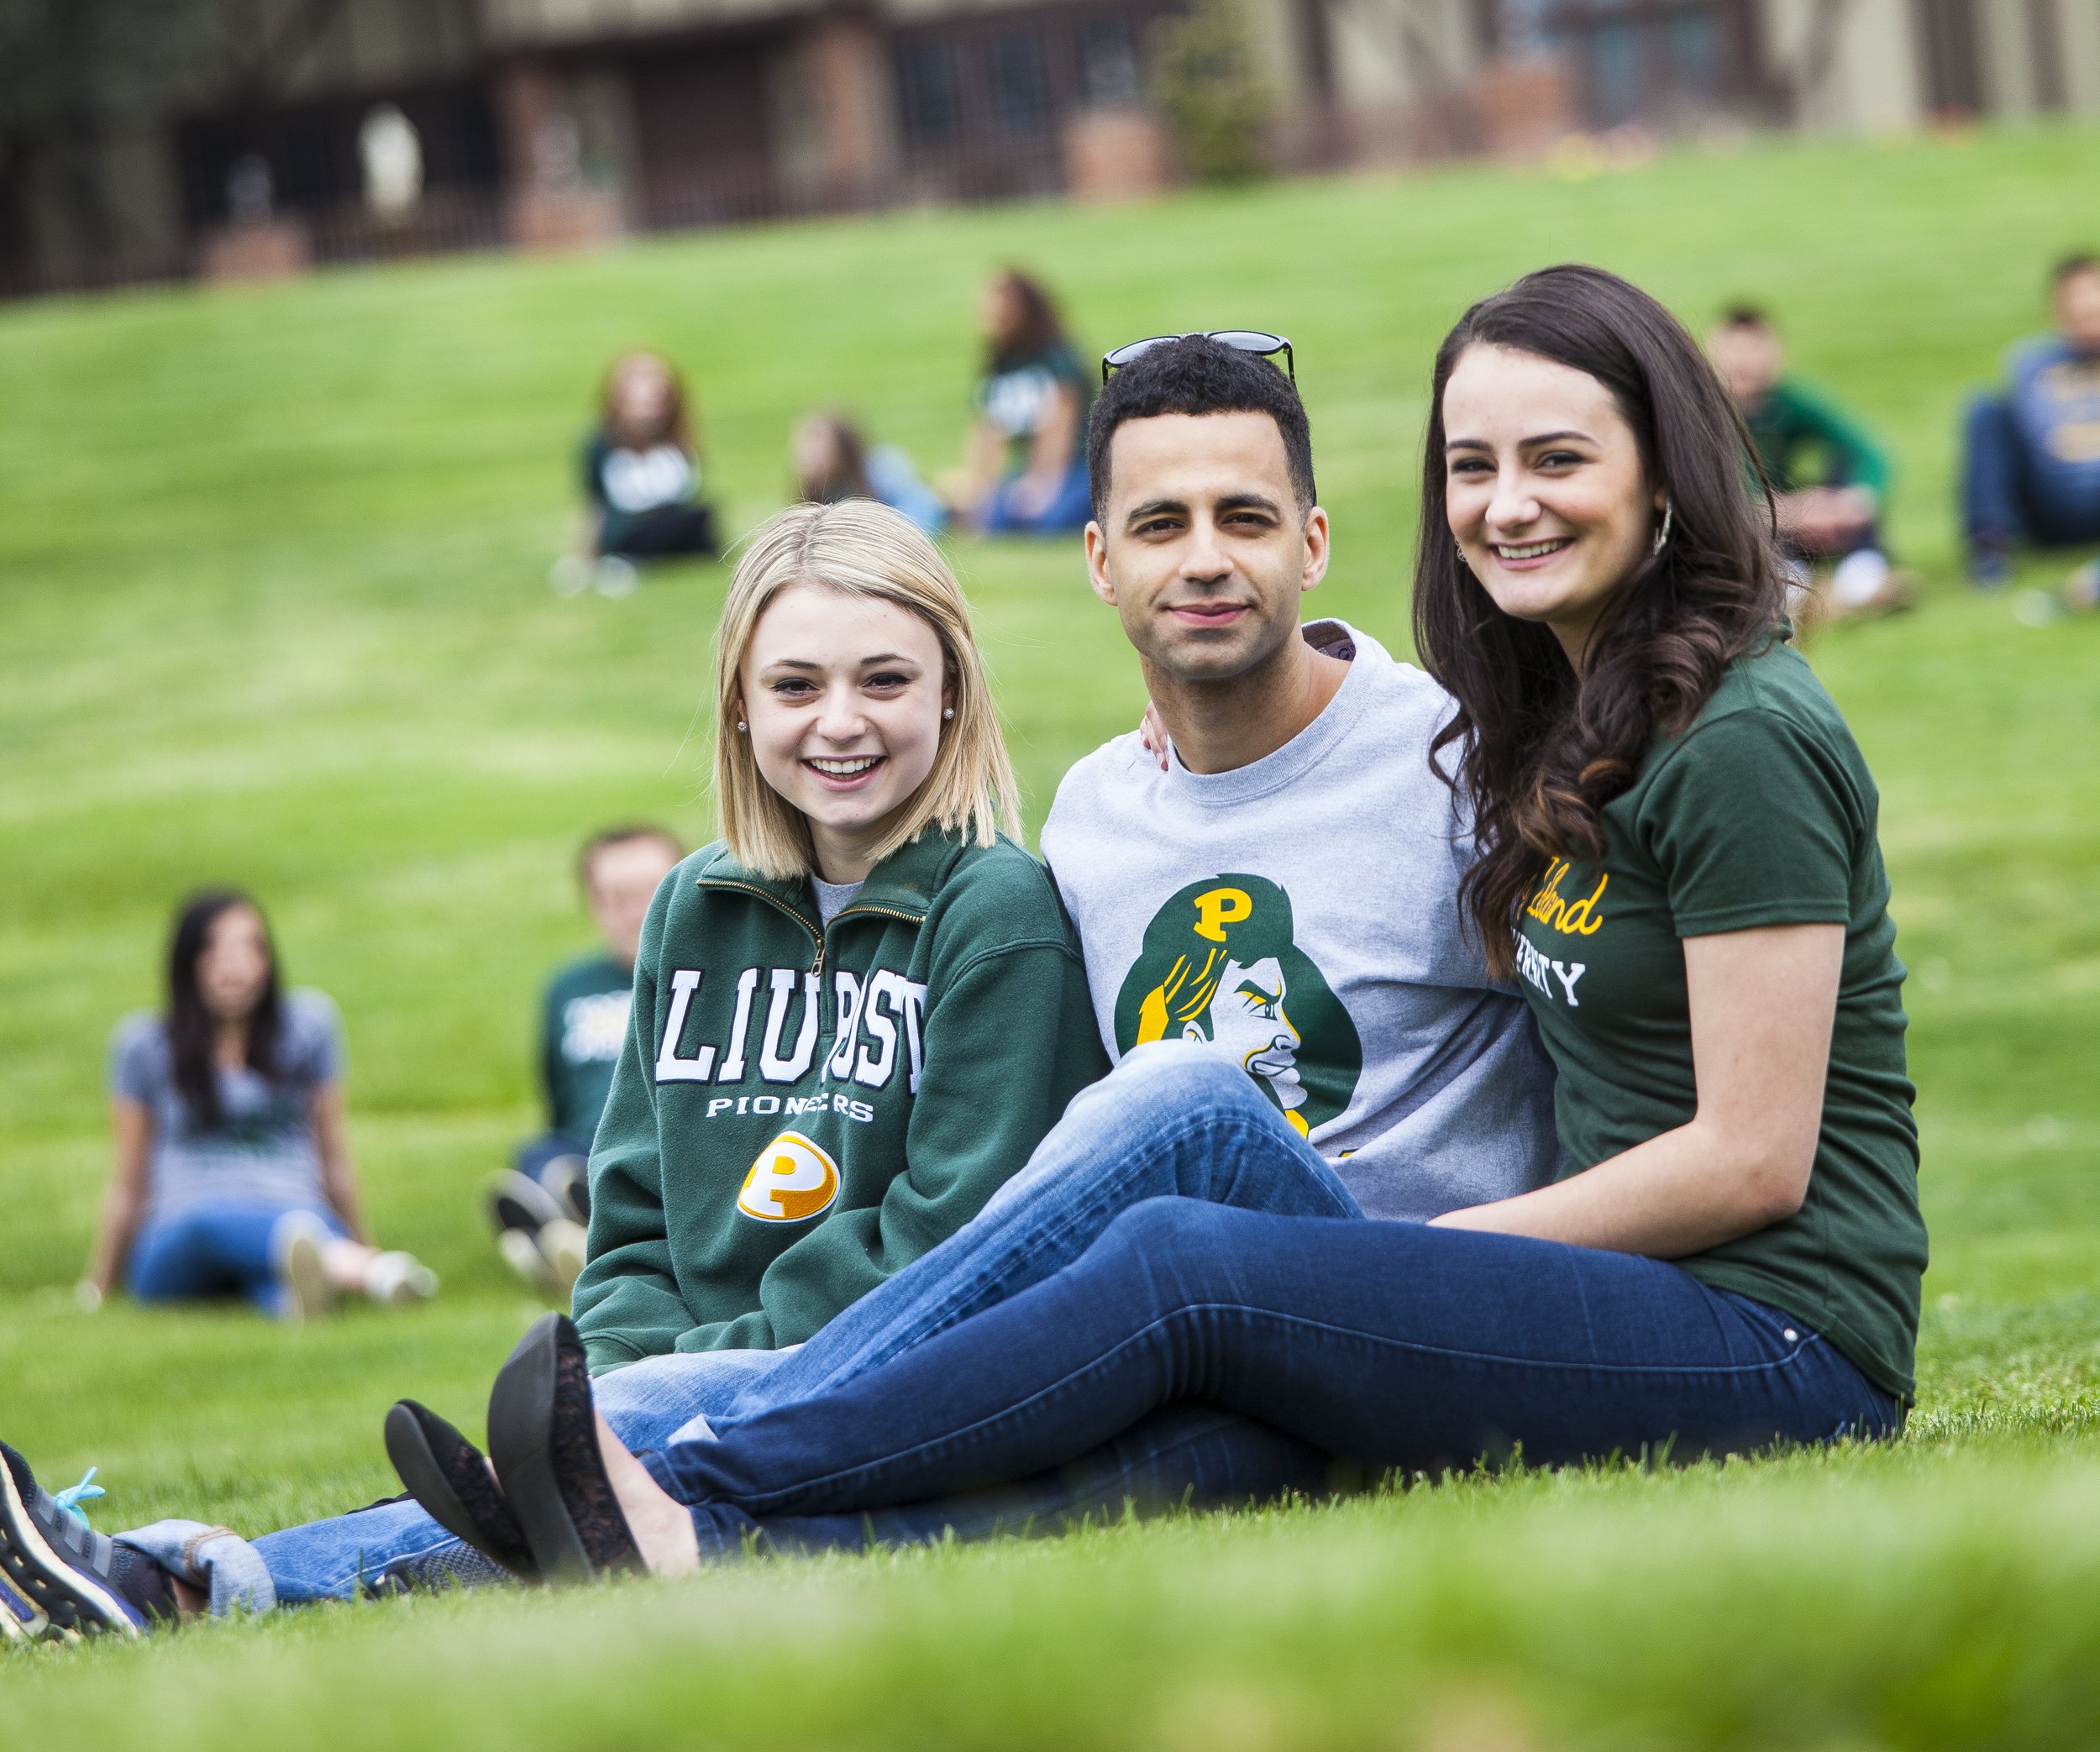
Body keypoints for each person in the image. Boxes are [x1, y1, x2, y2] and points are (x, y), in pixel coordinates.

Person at [388, 270, 1925, 1586]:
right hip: (1578, 1309)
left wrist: (1420, 1267)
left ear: (1664, 471)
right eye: (1471, 465)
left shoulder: (1733, 738)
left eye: (1557, 459)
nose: (1506, 502)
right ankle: (240, 1574)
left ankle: (691, 1472)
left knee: (1186, 1202)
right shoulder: (1568, 729)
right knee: (1127, 1423)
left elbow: (1753, 1157)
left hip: (1774, 1335)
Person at [0, 505, 1110, 1634]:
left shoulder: (995, 911)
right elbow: (630, 1217)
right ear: (738, 700)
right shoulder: (696, 905)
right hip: (683, 1386)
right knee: (534, 1518)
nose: (839, 722)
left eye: (884, 680)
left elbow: (947, 1245)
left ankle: (172, 1578)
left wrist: (658, 1389)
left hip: (891, 1378)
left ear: (951, 693)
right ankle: (172, 1580)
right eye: (793, 685)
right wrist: (617, 1386)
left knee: (532, 1503)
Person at [83, 890, 437, 1326]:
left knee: (284, 1262)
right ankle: (372, 1274)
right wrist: (99, 1284)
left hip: (296, 1212)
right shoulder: (142, 1045)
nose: (233, 965)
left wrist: (361, 1238)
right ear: (186, 960)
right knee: (211, 1224)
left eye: (249, 946)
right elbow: (128, 1182)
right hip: (179, 1235)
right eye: (214, 948)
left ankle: (297, 1305)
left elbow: (334, 1157)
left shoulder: (308, 1027)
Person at [485, 824, 683, 1301]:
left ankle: (560, 1238)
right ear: (593, 906)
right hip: (583, 1145)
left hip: (668, 1146)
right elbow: (556, 1088)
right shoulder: (568, 988)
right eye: (617, 898)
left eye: (652, 894)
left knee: (611, 1174)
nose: (638, 913)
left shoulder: (708, 975)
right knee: (539, 1158)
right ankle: (569, 1227)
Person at [1707, 305, 1912, 623]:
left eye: (1754, 348)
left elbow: (1867, 450)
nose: (1745, 362)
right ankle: (1798, 587)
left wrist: (1851, 502)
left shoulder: (1787, 400)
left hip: (1795, 515)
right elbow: (1725, 498)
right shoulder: (1707, 415)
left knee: (1845, 470)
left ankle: (1861, 577)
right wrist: (1796, 512)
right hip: (1746, 524)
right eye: (1735, 350)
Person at [1961, 253, 2100, 601]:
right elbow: (2043, 441)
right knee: (1984, 409)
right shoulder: (2032, 362)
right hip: (2054, 501)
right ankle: (1990, 547)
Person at [555, 350, 718, 595]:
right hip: (633, 532)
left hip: (675, 523)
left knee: (695, 518)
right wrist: (584, 557)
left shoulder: (678, 440)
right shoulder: (602, 446)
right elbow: (593, 504)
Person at [949, 270, 1092, 535]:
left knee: (1051, 523)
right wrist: (976, 490)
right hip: (1028, 468)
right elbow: (988, 429)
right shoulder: (999, 365)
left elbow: (1059, 430)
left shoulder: (1056, 359)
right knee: (997, 521)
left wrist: (1042, 483)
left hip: (1074, 466)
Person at [790, 412, 950, 539]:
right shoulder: (822, 486)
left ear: (841, 450)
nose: (807, 457)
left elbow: (919, 508)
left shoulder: (879, 470)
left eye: (817, 452)